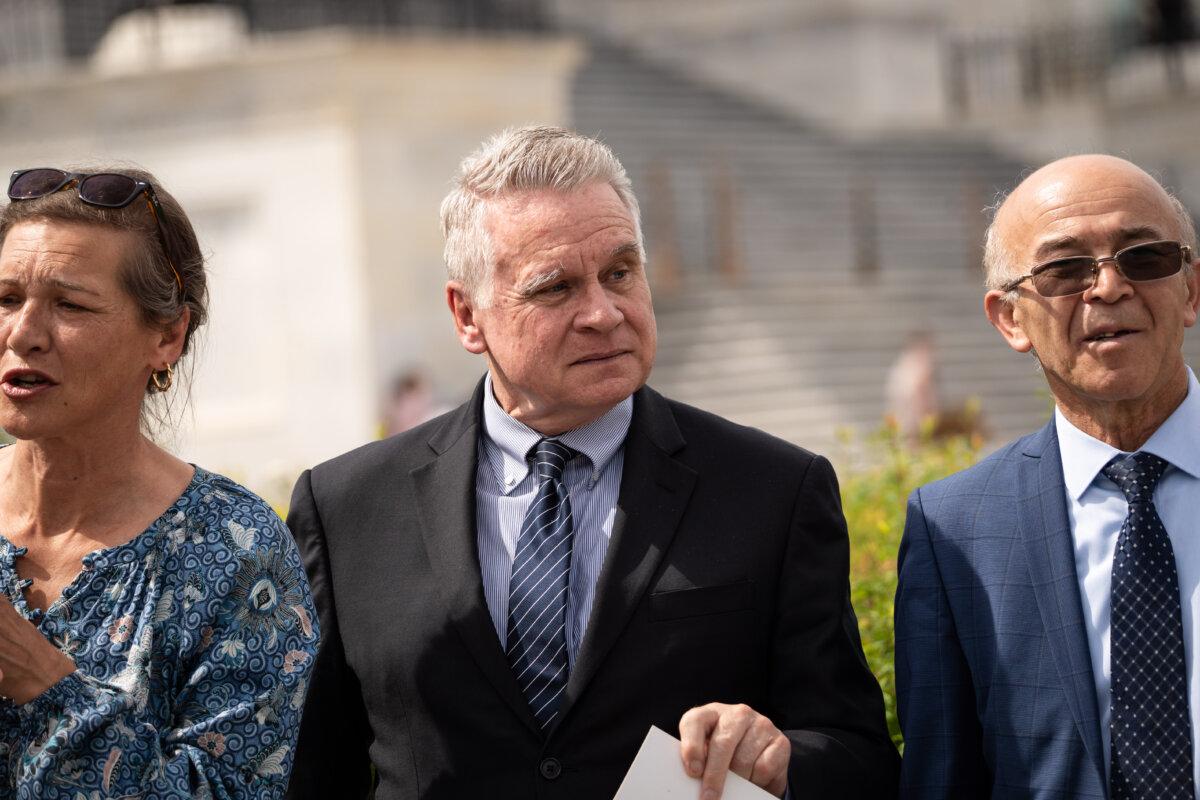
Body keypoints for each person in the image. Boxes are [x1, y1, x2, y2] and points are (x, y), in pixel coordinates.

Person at [286, 126, 898, 800]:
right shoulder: (348, 510)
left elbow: (860, 756)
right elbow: (312, 775)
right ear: (467, 315)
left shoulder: (775, 490)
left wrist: (783, 762)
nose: (604, 313)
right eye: (556, 289)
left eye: (620, 272)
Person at [0, 167, 318, 798]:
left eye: (70, 305)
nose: (23, 334)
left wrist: (39, 679)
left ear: (168, 336)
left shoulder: (237, 552)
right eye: (6, 299)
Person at [895, 154, 1200, 798]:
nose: (1110, 287)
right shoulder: (953, 530)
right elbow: (942, 780)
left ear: (1191, 290)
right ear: (1010, 319)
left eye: (1143, 257)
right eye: (1065, 270)